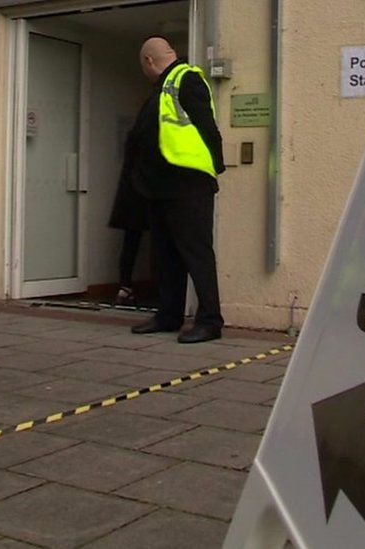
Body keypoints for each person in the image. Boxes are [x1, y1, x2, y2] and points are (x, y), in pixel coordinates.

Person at [129, 36, 226, 343]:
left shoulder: (187, 79)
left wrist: (215, 166)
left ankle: (210, 321)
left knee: (196, 254)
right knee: (166, 255)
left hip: (188, 186)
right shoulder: (161, 88)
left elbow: (208, 127)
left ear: (148, 61)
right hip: (161, 188)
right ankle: (168, 315)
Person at [107, 123, 148, 308]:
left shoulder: (133, 137)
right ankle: (167, 292)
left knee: (130, 242)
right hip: (148, 193)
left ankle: (125, 287)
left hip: (131, 194)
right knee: (164, 243)